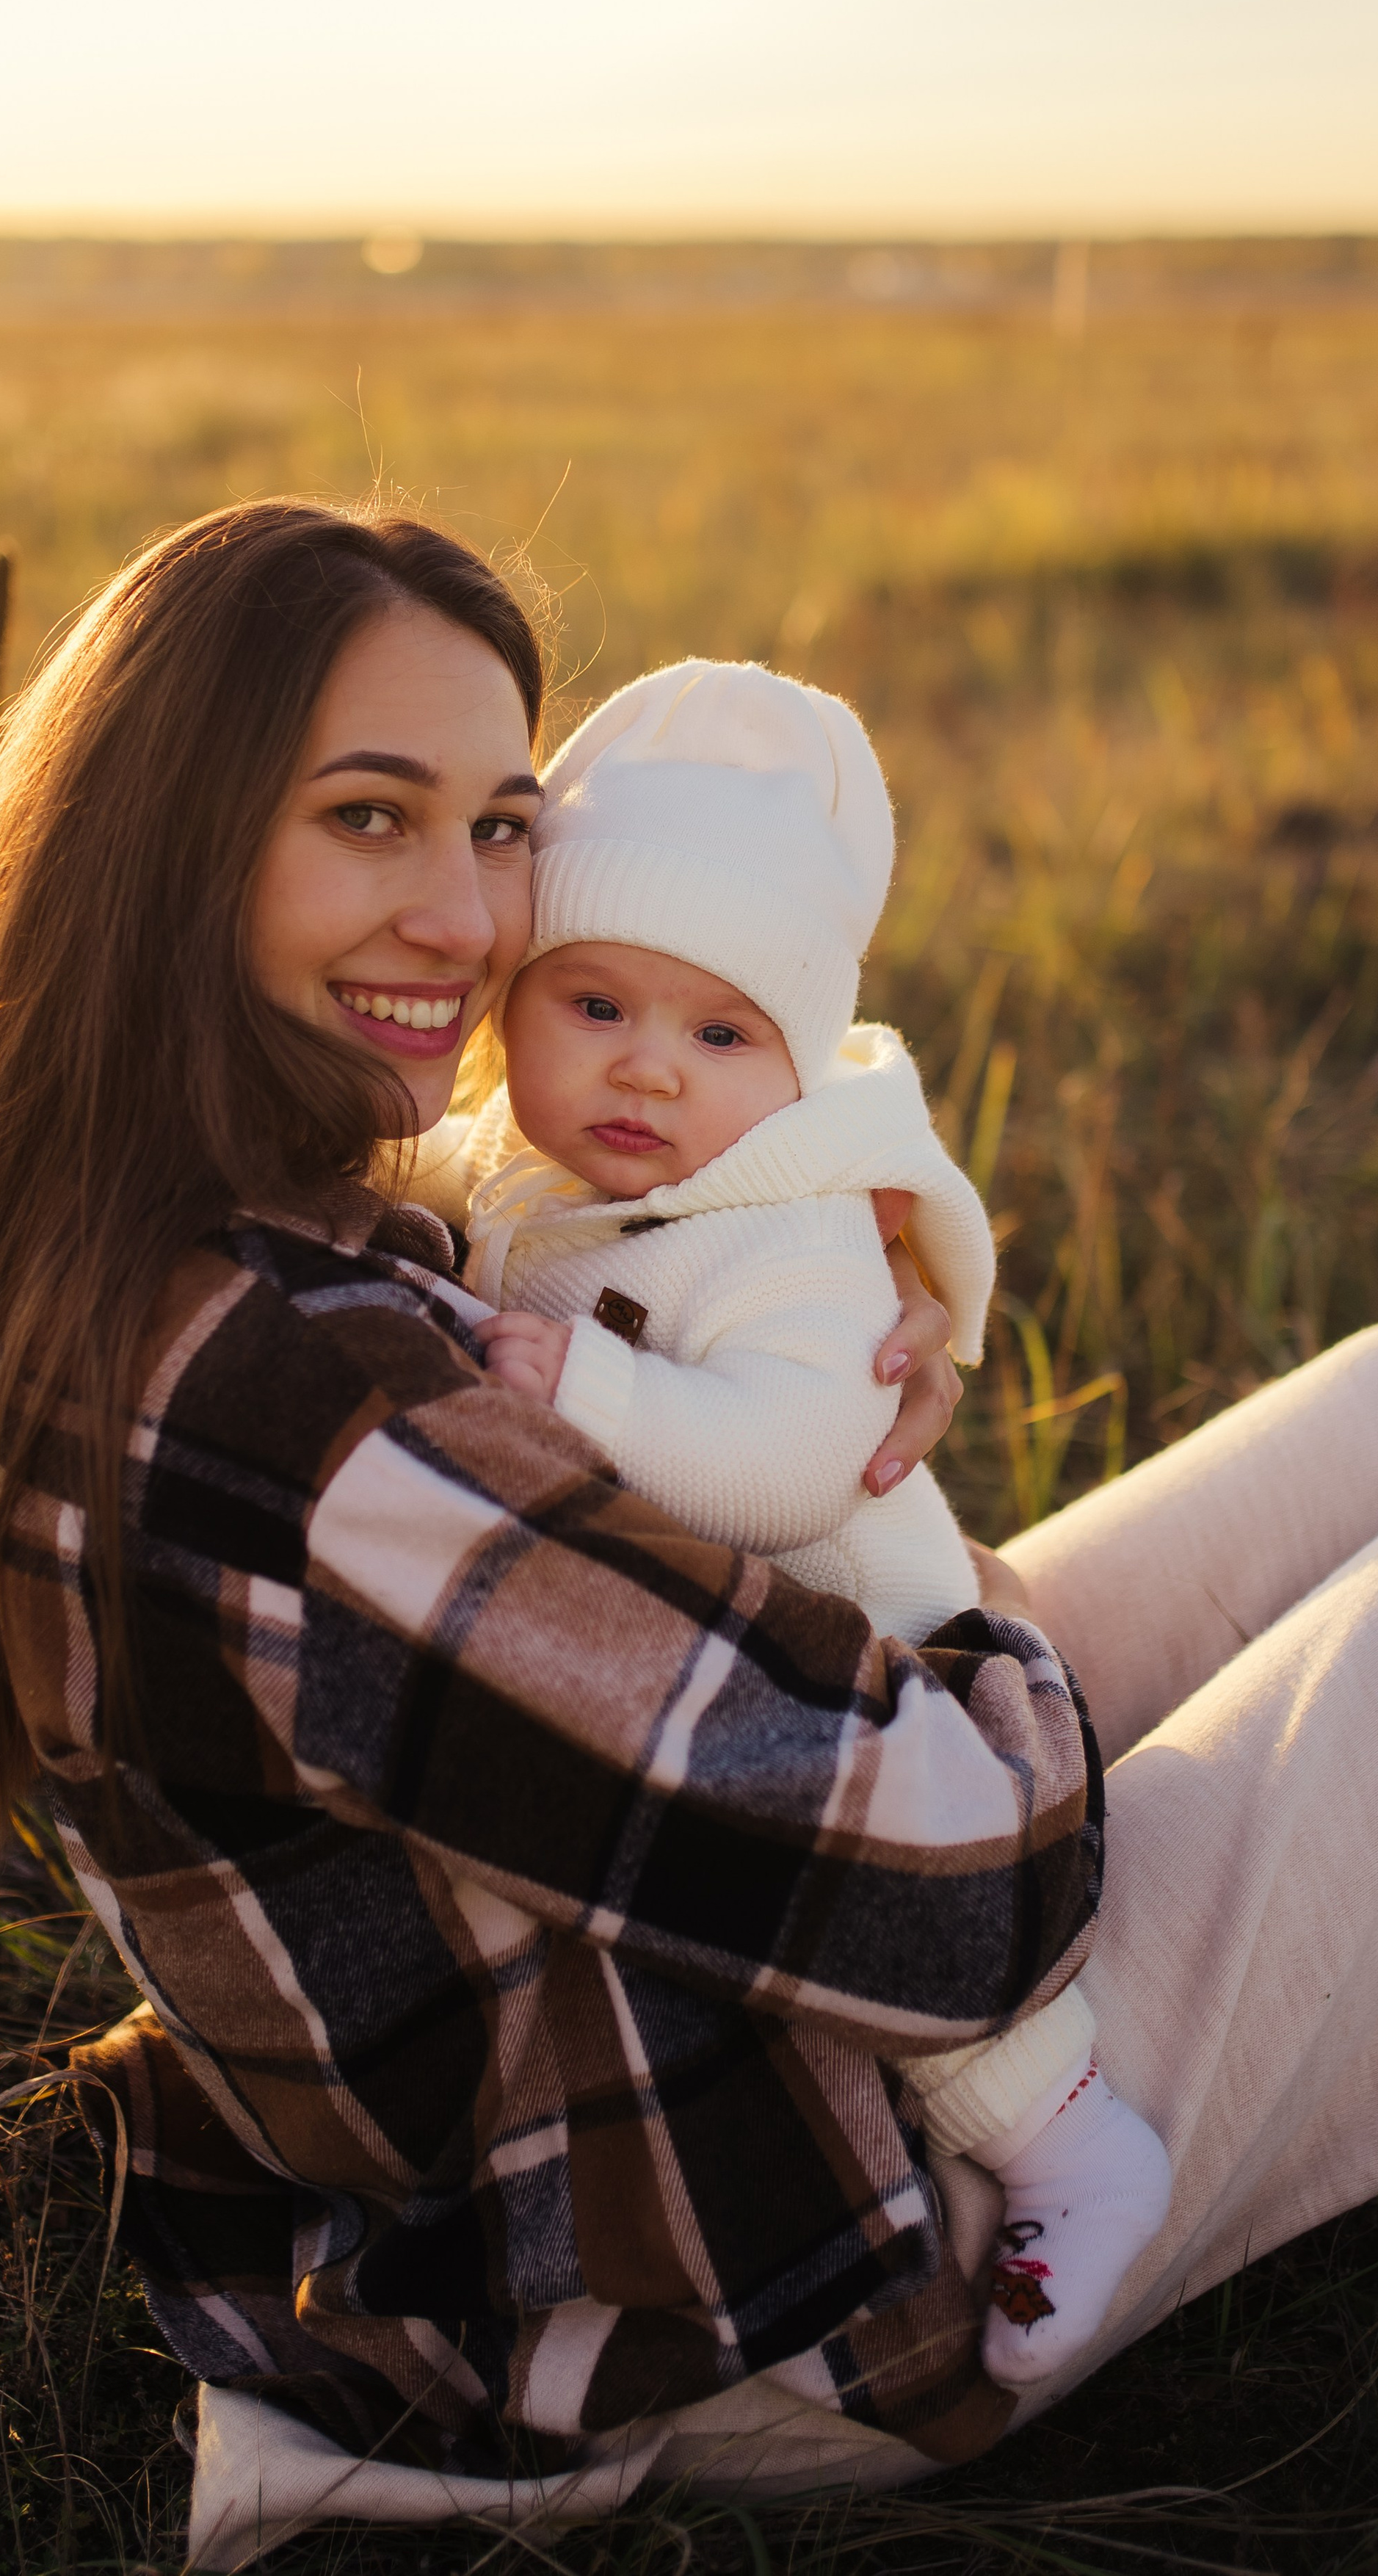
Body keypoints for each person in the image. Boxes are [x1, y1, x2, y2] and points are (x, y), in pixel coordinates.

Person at [0, 500, 1378, 2569]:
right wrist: (933, 1610)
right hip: (777, 2263)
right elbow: (958, 1899)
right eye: (369, 817)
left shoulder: (168, 1232)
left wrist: (805, 1322)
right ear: (164, 842)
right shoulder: (305, 1413)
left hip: (681, 2025)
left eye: (502, 826)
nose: (468, 919)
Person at [434, 656, 1170, 2387]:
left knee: (895, 1927)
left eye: (717, 1035)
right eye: (590, 1004)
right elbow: (429, 1180)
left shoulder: (796, 1233)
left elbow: (783, 1463)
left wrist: (593, 1396)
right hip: (719, 1666)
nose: (643, 1069)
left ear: (797, 1056)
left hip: (886, 1665)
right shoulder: (528, 1168)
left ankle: (1071, 2141)